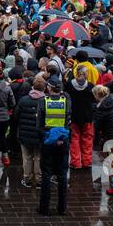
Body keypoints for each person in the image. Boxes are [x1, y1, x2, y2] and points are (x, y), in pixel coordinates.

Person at [36, 77, 71, 214]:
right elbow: (68, 124)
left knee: (46, 175)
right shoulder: (66, 102)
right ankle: (62, 208)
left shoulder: (43, 102)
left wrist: (47, 138)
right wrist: (62, 139)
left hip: (48, 142)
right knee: (62, 175)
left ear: (49, 88)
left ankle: (44, 208)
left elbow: (38, 126)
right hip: (63, 142)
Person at [15, 74, 45, 188]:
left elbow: (16, 117)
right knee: (38, 157)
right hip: (39, 135)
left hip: (25, 134)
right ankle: (39, 180)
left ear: (33, 87)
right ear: (44, 88)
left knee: (27, 157)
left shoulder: (23, 100)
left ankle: (27, 179)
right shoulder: (45, 101)